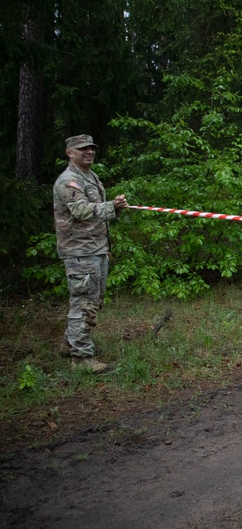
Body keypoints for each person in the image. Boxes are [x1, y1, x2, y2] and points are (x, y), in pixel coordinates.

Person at [53, 134, 128, 374]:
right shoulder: (69, 180)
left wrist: (114, 208)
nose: (89, 152)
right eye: (83, 148)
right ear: (70, 153)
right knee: (84, 304)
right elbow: (81, 211)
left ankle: (69, 343)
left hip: (95, 249)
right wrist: (111, 207)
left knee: (92, 300)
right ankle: (81, 359)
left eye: (91, 148)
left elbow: (95, 210)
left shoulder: (89, 176)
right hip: (80, 252)